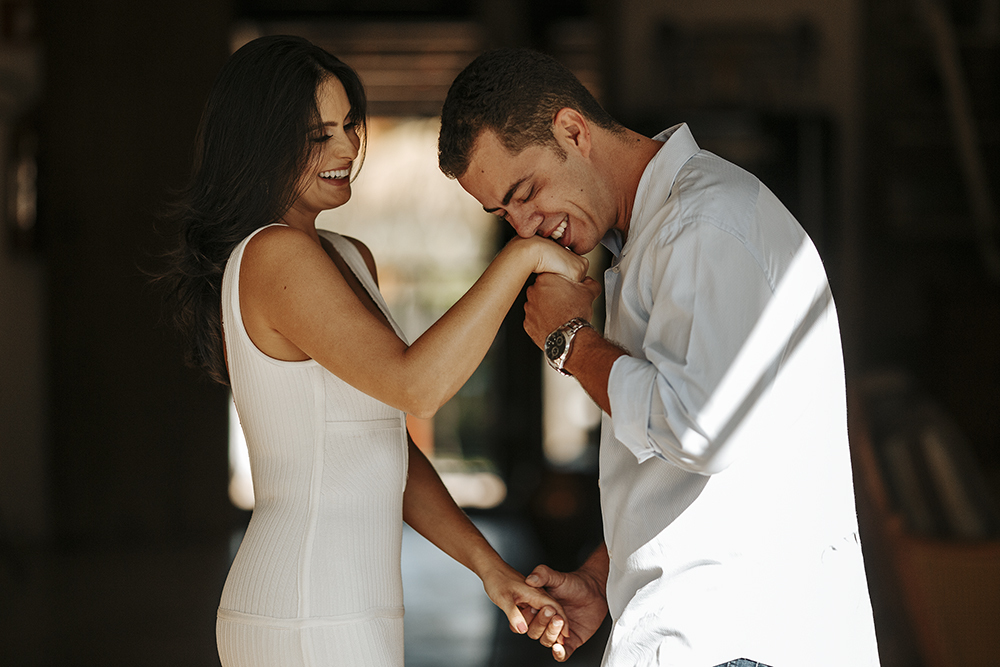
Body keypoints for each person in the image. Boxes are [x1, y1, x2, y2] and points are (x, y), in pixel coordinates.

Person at [438, 47, 882, 667]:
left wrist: (569, 340)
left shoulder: (702, 225)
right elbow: (697, 473)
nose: (525, 227)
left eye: (526, 192)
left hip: (730, 645)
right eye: (503, 212)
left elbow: (698, 429)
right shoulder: (656, 236)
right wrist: (604, 575)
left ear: (573, 131)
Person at [159, 36, 583, 667]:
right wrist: (520, 257)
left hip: (355, 611)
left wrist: (490, 570)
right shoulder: (273, 255)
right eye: (318, 135)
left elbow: (388, 448)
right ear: (261, 142)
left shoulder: (349, 256)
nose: (347, 149)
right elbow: (416, 387)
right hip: (303, 611)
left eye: (348, 126)